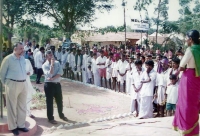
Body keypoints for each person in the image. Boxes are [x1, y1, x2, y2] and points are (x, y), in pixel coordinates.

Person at [173, 30, 200, 136]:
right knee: (194, 102)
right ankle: (194, 130)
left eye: (186, 38)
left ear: (191, 39)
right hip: (197, 79)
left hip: (188, 79)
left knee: (186, 103)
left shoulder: (190, 49)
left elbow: (182, 66)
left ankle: (186, 128)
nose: (185, 40)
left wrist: (176, 72)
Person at [0, 42, 29, 135]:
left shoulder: (23, 59)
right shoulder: (8, 59)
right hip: (12, 84)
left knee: (22, 106)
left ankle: (21, 125)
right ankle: (13, 127)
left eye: (23, 49)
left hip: (23, 84)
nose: (22, 50)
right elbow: (2, 74)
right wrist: (7, 84)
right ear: (15, 49)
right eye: (20, 48)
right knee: (11, 106)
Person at [42, 50, 68, 124]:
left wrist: (53, 78)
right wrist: (52, 65)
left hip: (56, 84)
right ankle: (50, 118)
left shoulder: (57, 63)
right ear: (46, 56)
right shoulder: (45, 65)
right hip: (49, 85)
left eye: (52, 55)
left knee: (59, 100)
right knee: (49, 102)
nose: (51, 57)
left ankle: (61, 115)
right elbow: (49, 74)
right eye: (49, 55)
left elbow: (61, 73)